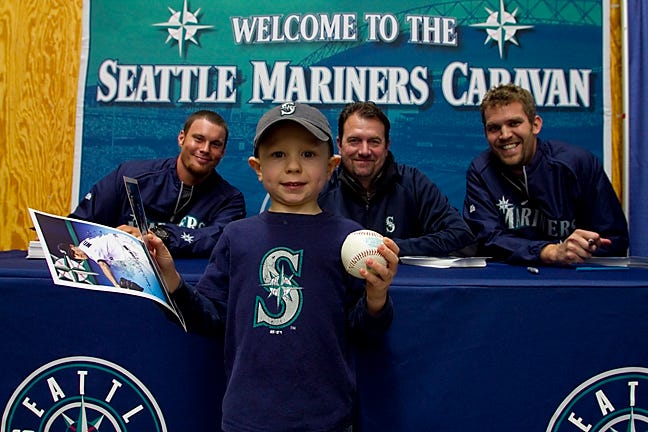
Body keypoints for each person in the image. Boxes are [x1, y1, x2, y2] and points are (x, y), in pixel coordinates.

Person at [145, 101, 399, 432]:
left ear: (332, 165)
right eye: (278, 155)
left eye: (308, 154)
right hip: (249, 415)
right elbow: (208, 319)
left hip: (325, 417)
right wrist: (172, 281)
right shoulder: (237, 236)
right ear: (257, 167)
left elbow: (366, 332)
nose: (293, 166)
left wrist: (377, 295)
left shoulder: (349, 239)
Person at [463, 83, 629, 265]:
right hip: (511, 280)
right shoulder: (481, 171)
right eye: (494, 128)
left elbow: (615, 240)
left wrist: (585, 247)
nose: (505, 135)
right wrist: (549, 251)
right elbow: (485, 239)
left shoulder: (578, 164)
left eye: (514, 123)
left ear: (535, 125)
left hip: (575, 279)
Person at [70, 110, 246, 257]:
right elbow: (77, 227)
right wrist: (112, 240)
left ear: (223, 151)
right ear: (181, 138)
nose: (205, 149)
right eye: (198, 139)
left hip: (186, 289)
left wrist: (156, 235)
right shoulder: (130, 176)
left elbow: (220, 240)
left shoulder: (230, 199)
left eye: (215, 144)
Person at [318, 101, 475, 257]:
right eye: (355, 141)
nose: (364, 151)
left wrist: (394, 248)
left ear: (387, 146)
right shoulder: (322, 186)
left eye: (374, 142)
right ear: (339, 144)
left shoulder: (413, 182)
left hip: (403, 281)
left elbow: (460, 233)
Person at [58, 233, 148, 291]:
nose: (77, 256)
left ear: (72, 245)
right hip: (123, 242)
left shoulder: (89, 251)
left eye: (74, 252)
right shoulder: (84, 243)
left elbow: (103, 265)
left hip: (128, 248)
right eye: (73, 256)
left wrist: (115, 284)